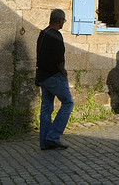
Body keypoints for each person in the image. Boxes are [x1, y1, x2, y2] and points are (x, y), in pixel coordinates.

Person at [35, 9, 72, 150]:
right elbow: (58, 59)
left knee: (46, 108)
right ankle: (53, 136)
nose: (63, 23)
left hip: (43, 76)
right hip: (54, 76)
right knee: (68, 103)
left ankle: (45, 142)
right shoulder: (56, 35)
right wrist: (63, 71)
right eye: (64, 20)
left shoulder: (43, 33)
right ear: (60, 20)